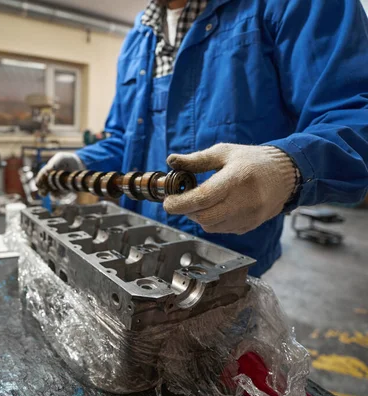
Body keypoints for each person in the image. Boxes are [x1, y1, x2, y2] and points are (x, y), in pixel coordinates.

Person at [37, 0, 368, 277]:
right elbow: (128, 138)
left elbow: (353, 113)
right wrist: (84, 161)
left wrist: (287, 167)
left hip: (229, 263)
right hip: (135, 250)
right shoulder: (139, 38)